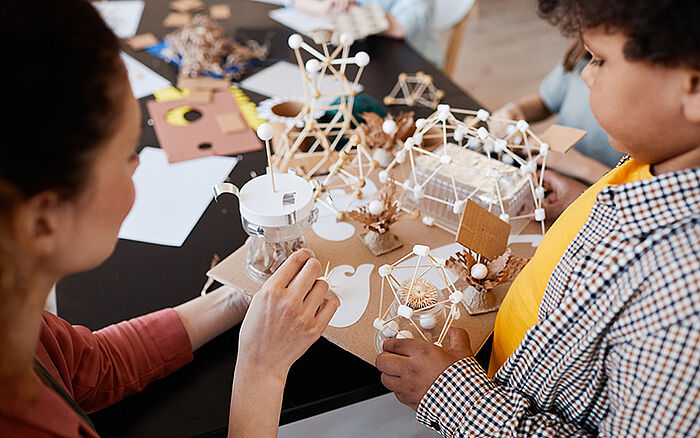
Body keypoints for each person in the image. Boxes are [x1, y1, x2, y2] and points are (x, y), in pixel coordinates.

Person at [0, 1, 337, 437]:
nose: (138, 168)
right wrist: (262, 367)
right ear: (43, 221)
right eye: (126, 156)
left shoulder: (18, 318)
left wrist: (237, 293)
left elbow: (89, 368)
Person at [376, 0, 700, 436]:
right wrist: (583, 200)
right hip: (505, 369)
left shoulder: (682, 309)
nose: (585, 73)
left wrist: (456, 398)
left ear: (694, 88)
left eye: (600, 60)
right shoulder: (662, 157)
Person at [491, 39, 625, 220]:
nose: (586, 74)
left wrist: (580, 165)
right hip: (549, 181)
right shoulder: (581, 56)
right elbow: (547, 101)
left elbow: (639, 188)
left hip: (599, 198)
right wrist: (517, 109)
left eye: (600, 61)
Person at [289, 0, 442, 67]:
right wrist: (321, 6)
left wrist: (350, 9)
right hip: (358, 49)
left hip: (410, 60)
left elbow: (400, 26)